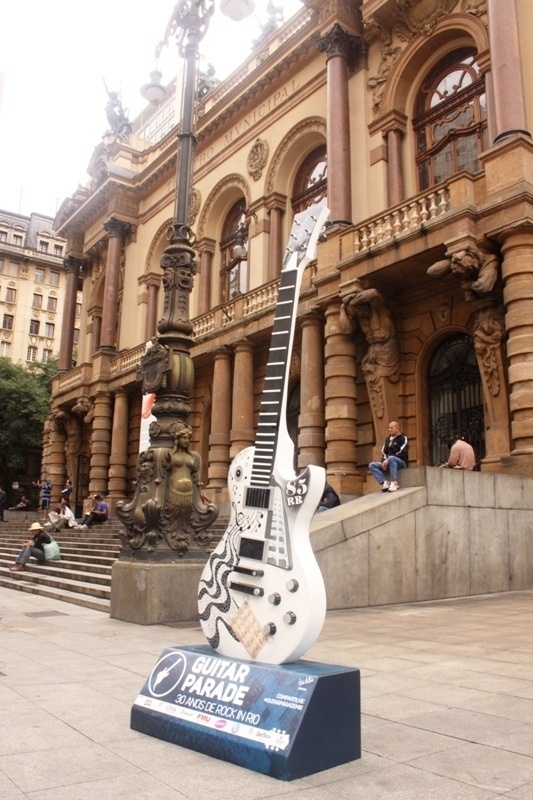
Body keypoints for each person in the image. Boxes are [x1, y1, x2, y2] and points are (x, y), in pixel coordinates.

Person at [369, 420, 409, 492]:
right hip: (389, 462)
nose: (389, 430)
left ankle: (394, 482)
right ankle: (384, 482)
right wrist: (384, 462)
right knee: (372, 465)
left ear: (397, 428)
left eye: (391, 428)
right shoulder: (387, 439)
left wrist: (389, 460)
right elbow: (384, 452)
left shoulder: (403, 438)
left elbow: (403, 452)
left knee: (391, 458)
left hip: (401, 462)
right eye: (389, 428)